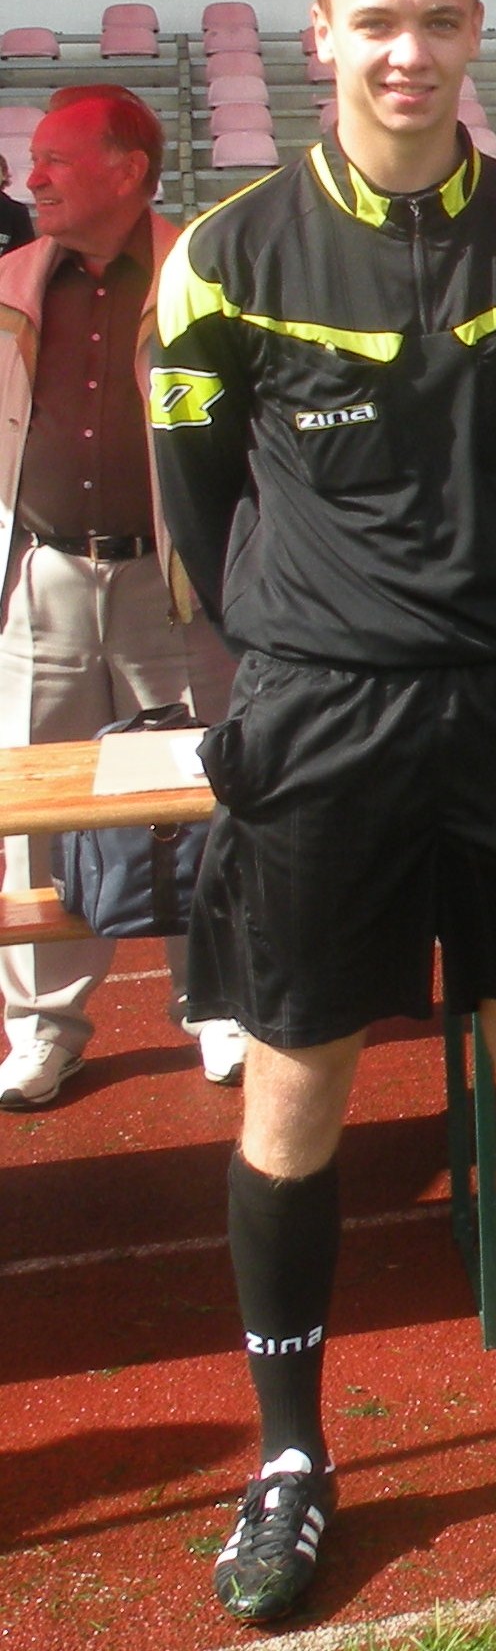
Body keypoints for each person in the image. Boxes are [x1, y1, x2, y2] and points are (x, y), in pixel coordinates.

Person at [153, 0, 496, 1622]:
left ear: (476, 33)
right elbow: (198, 507)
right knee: (299, 1074)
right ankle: (291, 1456)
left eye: (438, 18)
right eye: (375, 19)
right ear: (319, 35)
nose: (407, 50)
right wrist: (312, 636)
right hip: (319, 715)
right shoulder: (226, 256)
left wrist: (494, 608)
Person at [0, 85, 238, 1107]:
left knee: (198, 794)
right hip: (44, 579)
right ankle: (41, 1029)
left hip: (169, 583)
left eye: (54, 160)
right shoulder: (12, 280)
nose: (32, 179)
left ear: (128, 171)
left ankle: (218, 1003)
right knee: (34, 812)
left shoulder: (202, 274)